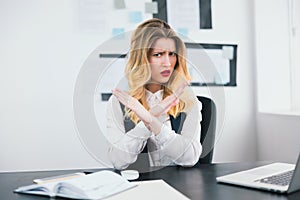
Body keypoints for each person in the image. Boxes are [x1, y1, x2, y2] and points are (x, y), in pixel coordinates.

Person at [106, 18, 202, 170]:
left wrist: (151, 120)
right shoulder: (119, 101)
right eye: (158, 55)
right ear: (142, 59)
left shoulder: (187, 100)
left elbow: (190, 157)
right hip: (140, 187)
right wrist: (146, 123)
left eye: (172, 54)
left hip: (182, 186)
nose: (167, 62)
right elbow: (118, 161)